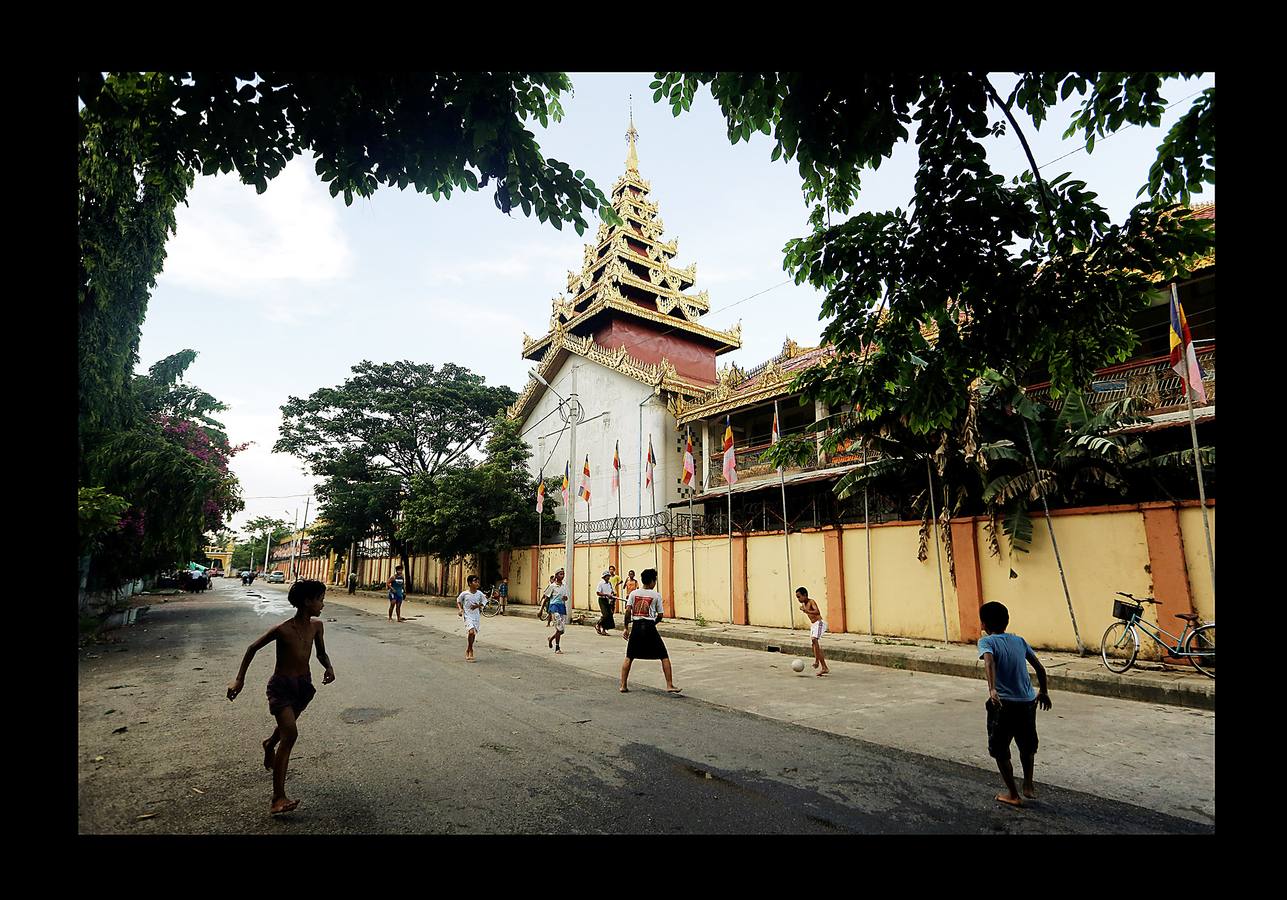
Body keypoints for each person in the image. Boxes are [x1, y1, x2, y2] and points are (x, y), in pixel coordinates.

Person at [227, 579, 336, 816]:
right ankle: (278, 797)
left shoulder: (317, 626)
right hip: (282, 688)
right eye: (320, 599)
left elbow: (320, 652)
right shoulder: (282, 630)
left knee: (287, 728)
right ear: (307, 602)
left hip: (302, 686)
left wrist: (328, 667)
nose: (322, 604)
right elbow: (252, 648)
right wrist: (240, 679)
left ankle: (269, 743)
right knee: (291, 733)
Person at [977, 600, 1052, 808]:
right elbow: (1040, 668)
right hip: (1028, 702)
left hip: (1003, 705)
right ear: (1007, 621)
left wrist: (992, 689)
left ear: (984, 624)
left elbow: (989, 661)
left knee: (1000, 749)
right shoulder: (1019, 641)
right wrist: (1043, 691)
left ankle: (1013, 794)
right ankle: (1028, 784)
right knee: (1027, 745)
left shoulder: (987, 642)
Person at [620, 568, 680, 693]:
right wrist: (653, 623)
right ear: (652, 581)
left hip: (636, 625)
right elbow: (660, 615)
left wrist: (626, 628)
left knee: (629, 656)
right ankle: (669, 685)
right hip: (649, 626)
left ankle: (623, 685)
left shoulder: (633, 594)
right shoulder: (656, 595)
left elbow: (628, 611)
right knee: (663, 655)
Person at [796, 587, 830, 676]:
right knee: (814, 644)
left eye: (799, 597)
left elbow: (817, 612)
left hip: (819, 623)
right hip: (813, 625)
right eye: (797, 598)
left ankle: (817, 660)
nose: (798, 599)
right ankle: (824, 667)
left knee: (815, 639)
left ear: (805, 595)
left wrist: (806, 610)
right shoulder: (803, 604)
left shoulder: (811, 602)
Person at [457, 575, 487, 661]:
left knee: (473, 634)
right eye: (475, 581)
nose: (477, 583)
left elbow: (484, 602)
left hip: (476, 616)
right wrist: (460, 610)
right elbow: (458, 601)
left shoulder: (480, 594)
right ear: (470, 583)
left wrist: (477, 606)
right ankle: (470, 650)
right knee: (471, 632)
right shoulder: (464, 594)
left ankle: (469, 648)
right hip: (467, 616)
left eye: (478, 582)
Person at [546, 569, 569, 653]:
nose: (562, 576)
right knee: (559, 628)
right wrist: (541, 610)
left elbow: (566, 597)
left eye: (563, 574)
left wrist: (565, 598)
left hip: (562, 608)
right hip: (554, 607)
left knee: (561, 630)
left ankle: (551, 639)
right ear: (556, 575)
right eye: (560, 574)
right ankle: (557, 647)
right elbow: (546, 597)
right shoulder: (552, 586)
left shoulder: (564, 586)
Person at [595, 571, 616, 636]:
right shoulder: (601, 583)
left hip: (608, 600)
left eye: (609, 576)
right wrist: (606, 594)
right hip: (602, 600)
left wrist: (612, 594)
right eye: (607, 576)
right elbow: (598, 593)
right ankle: (598, 624)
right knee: (605, 614)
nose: (608, 577)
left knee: (610, 615)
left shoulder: (609, 583)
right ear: (604, 577)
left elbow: (611, 590)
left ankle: (604, 630)